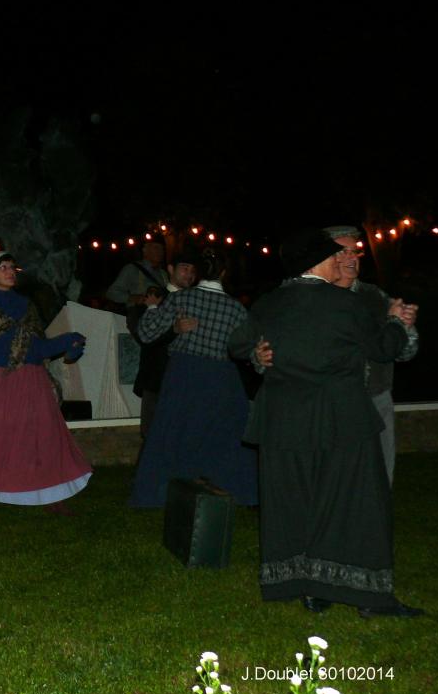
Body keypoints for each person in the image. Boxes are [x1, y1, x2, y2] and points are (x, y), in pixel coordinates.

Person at [228, 230, 422, 618]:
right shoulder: (343, 305)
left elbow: (237, 343)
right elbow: (383, 348)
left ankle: (307, 586)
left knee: (298, 501)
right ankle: (367, 596)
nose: (342, 260)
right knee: (357, 504)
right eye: (336, 255)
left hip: (284, 421)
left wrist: (256, 351)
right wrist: (399, 324)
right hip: (341, 418)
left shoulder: (270, 302)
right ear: (318, 261)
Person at [0, 252, 91, 517]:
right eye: (3, 268)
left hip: (30, 380)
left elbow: (38, 346)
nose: (10, 271)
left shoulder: (26, 305)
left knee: (40, 437)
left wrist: (68, 340)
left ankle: (51, 495)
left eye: (12, 267)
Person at [128, 248, 257, 507]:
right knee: (222, 433)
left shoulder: (182, 300)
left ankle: (159, 493)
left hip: (184, 373)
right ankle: (234, 489)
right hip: (221, 375)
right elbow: (247, 348)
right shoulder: (236, 309)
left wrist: (152, 309)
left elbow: (147, 333)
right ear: (223, 273)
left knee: (173, 432)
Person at [324, 225, 419, 485]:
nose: (352, 258)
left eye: (355, 252)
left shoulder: (374, 297)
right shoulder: (312, 297)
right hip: (329, 403)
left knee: (378, 479)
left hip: (375, 400)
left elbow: (405, 353)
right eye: (343, 252)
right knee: (334, 481)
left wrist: (405, 329)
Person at [128, 249, 199, 437]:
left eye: (193, 270)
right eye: (184, 268)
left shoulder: (198, 302)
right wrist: (172, 331)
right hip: (158, 379)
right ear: (170, 269)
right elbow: (142, 335)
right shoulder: (155, 299)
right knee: (153, 435)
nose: (189, 274)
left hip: (188, 380)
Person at [105, 240, 169, 308]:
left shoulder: (163, 273)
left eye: (162, 249)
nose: (160, 252)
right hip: (140, 314)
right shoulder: (132, 269)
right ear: (145, 250)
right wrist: (132, 298)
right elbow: (111, 293)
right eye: (156, 248)